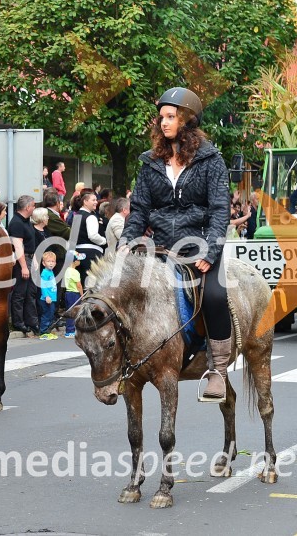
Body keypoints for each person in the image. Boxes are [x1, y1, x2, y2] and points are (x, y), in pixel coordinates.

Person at [118, 87, 231, 401]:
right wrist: (128, 241)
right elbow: (139, 209)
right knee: (127, 290)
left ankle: (217, 371)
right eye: (162, 117)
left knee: (215, 295)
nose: (164, 122)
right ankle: (126, 360)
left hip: (201, 246)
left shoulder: (211, 159)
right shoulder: (150, 162)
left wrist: (211, 250)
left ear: (187, 120)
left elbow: (221, 209)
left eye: (171, 116)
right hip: (160, 247)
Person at [8, 195, 39, 335]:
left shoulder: (27, 221)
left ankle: (32, 322)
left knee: (31, 292)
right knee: (20, 293)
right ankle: (18, 322)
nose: (34, 208)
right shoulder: (16, 223)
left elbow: (31, 243)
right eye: (33, 205)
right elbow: (18, 246)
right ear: (27, 207)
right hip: (23, 260)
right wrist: (24, 267)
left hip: (31, 258)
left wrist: (35, 259)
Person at [73, 191, 106, 286]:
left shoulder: (77, 215)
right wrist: (104, 241)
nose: (96, 202)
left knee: (81, 283)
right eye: (93, 200)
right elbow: (93, 236)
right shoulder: (91, 217)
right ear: (85, 202)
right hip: (91, 254)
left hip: (77, 253)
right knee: (91, 284)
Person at [63, 251, 85, 338]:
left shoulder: (67, 271)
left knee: (70, 311)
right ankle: (71, 330)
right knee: (75, 312)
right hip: (75, 294)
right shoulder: (75, 272)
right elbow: (78, 285)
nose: (80, 261)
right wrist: (82, 294)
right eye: (79, 260)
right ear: (74, 261)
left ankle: (70, 329)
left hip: (68, 293)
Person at [38, 251, 58, 340]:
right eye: (49, 261)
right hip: (47, 299)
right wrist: (46, 296)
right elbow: (43, 285)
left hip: (52, 298)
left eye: (53, 261)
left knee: (50, 315)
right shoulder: (45, 273)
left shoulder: (51, 272)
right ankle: (43, 332)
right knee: (46, 315)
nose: (51, 263)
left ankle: (48, 332)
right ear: (43, 263)